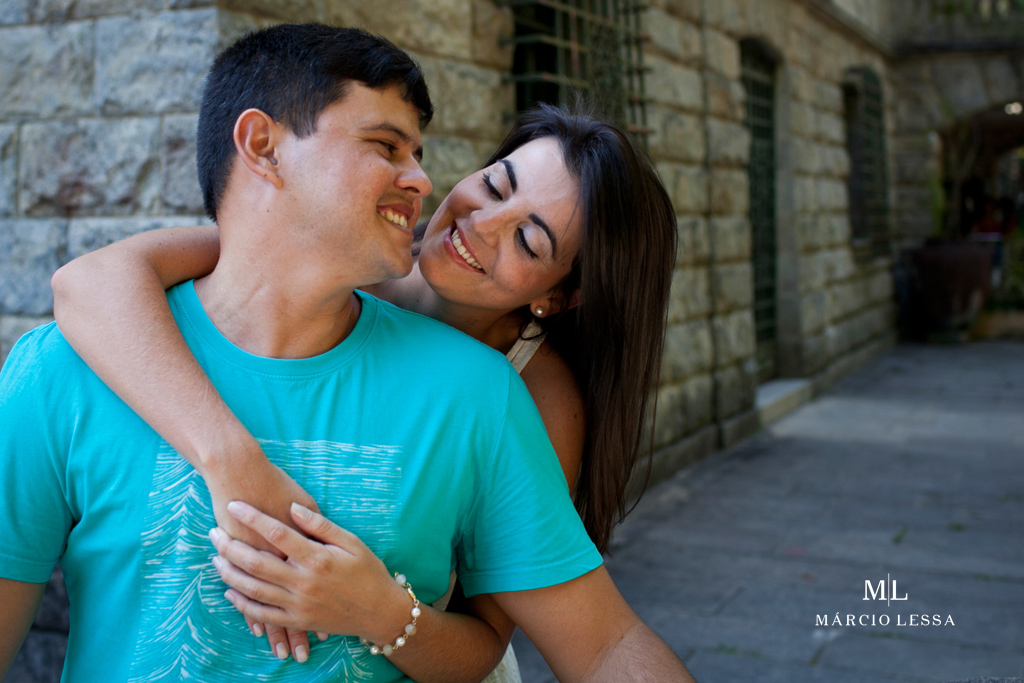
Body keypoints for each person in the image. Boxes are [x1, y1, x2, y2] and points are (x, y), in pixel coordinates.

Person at [0, 23, 694, 683]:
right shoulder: (79, 359)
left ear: (553, 296)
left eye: (530, 241)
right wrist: (232, 459)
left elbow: (582, 641)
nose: (432, 188)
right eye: (390, 147)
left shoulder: (499, 395)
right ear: (264, 148)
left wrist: (382, 613)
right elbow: (96, 280)